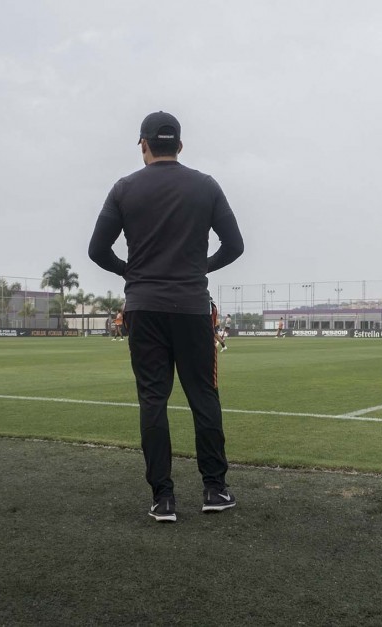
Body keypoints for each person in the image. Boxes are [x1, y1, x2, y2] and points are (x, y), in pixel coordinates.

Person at [88, 110, 244, 522]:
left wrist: (131, 272)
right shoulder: (205, 186)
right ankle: (215, 489)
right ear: (179, 145)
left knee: (153, 400)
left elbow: (97, 251)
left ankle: (163, 498)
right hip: (192, 307)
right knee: (203, 397)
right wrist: (200, 269)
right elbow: (235, 245)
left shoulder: (124, 188)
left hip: (144, 307)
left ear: (143, 145)